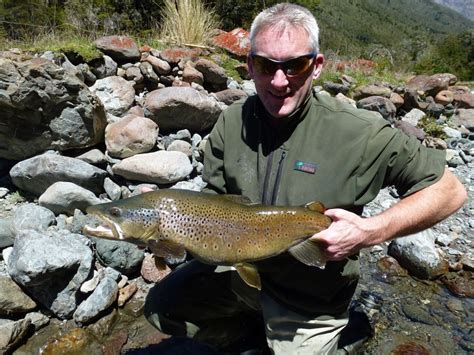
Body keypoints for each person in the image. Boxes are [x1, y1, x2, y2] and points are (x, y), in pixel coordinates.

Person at [145, 3, 467, 354]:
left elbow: (449, 190)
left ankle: (344, 336)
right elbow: (214, 199)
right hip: (240, 275)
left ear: (316, 66)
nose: (279, 81)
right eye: (266, 65)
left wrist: (372, 232)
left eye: (295, 65)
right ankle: (248, 329)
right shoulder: (232, 122)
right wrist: (166, 233)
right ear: (250, 65)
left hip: (310, 296)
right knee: (162, 308)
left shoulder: (359, 132)